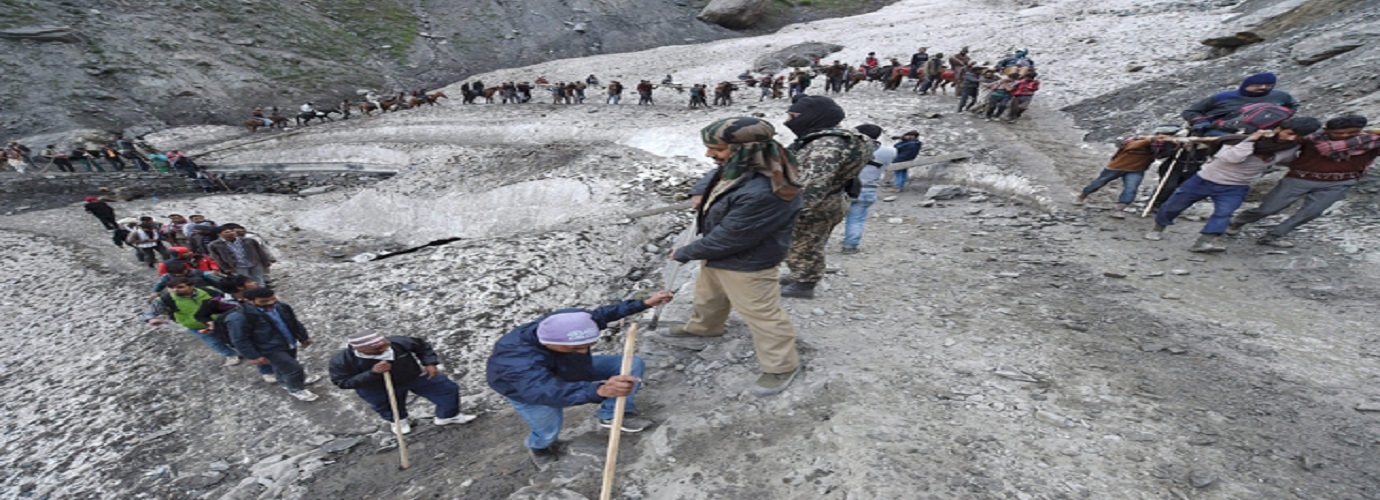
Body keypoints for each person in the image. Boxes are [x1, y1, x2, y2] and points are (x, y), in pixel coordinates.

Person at [669, 117, 805, 396]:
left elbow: (731, 237)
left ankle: (781, 366)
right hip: (720, 255)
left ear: (743, 149)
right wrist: (699, 190)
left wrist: (686, 252)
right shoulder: (751, 162)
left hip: (748, 263)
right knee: (709, 295)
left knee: (763, 314)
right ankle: (704, 328)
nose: (710, 155)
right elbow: (718, 175)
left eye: (717, 149)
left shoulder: (766, 191)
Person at [486, 292, 673, 470]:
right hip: (530, 392)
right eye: (576, 348)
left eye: (589, 346)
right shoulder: (516, 359)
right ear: (548, 342)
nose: (584, 352)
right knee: (548, 429)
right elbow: (544, 390)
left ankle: (611, 414)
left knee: (631, 364)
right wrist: (599, 391)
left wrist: (645, 303)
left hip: (570, 367)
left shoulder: (567, 324)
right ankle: (539, 447)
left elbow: (601, 314)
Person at [1145, 118, 1320, 252]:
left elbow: (1287, 161)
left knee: (1224, 213)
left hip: (1236, 186)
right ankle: (1158, 228)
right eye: (1289, 133)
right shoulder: (1237, 140)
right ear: (1278, 129)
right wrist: (1251, 140)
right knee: (1174, 205)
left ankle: (1204, 242)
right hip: (1205, 179)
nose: (1292, 138)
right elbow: (1232, 158)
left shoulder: (1291, 147)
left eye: (1298, 136)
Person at [1231, 115, 1380, 247]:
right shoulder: (1310, 139)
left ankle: (1273, 236)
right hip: (1299, 179)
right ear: (1326, 130)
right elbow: (1278, 144)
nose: (1345, 136)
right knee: (1269, 208)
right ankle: (1236, 223)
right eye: (1339, 133)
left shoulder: (1371, 142)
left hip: (1339, 183)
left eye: (1352, 132)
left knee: (1311, 213)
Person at [331, 332, 479, 435]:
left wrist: (429, 363)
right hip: (377, 387)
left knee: (447, 390)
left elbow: (421, 346)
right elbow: (342, 382)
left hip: (413, 376)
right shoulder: (341, 361)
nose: (385, 349)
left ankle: (447, 416)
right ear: (359, 349)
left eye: (385, 345)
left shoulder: (397, 342)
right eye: (377, 349)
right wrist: (373, 373)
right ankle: (399, 422)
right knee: (388, 407)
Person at [225, 288, 322, 401]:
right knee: (294, 369)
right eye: (264, 301)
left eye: (273, 299)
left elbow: (293, 322)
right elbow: (239, 339)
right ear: (249, 301)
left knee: (284, 366)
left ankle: (285, 381)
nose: (270, 303)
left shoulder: (281, 307)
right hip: (268, 348)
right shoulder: (239, 317)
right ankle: (296, 389)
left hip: (287, 341)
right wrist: (254, 356)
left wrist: (303, 337)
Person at [1076, 127, 1180, 217]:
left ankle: (1119, 209)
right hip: (1117, 167)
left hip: (1137, 170)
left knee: (1131, 189)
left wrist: (1176, 146)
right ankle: (1083, 195)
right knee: (1099, 183)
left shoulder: (1161, 146)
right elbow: (1132, 146)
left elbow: (1163, 155)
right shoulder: (1137, 140)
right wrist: (1150, 140)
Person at [141, 277, 242, 366]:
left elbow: (229, 299)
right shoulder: (166, 299)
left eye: (180, 287)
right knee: (213, 342)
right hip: (195, 325)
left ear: (192, 286)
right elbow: (150, 312)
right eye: (172, 288)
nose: (175, 290)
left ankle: (244, 350)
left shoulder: (209, 291)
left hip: (220, 321)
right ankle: (231, 355)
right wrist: (151, 319)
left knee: (235, 336)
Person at [1182, 72, 1298, 137]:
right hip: (1219, 129)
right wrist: (1201, 122)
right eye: (1258, 85)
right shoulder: (1223, 96)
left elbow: (1291, 106)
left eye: (1268, 85)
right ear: (1246, 85)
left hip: (1260, 131)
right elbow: (1190, 111)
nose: (1263, 87)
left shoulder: (1280, 96)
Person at [842, 124, 896, 254]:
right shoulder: (889, 152)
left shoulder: (848, 149)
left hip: (845, 189)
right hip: (868, 189)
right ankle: (850, 245)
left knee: (828, 220)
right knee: (856, 220)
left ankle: (821, 245)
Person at [207, 223, 273, 285]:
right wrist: (226, 268)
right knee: (246, 281)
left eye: (232, 231)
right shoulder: (215, 245)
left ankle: (261, 292)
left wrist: (266, 261)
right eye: (227, 232)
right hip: (237, 266)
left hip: (255, 263)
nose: (231, 233)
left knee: (259, 279)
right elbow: (217, 258)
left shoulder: (249, 240)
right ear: (219, 234)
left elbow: (260, 251)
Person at [150, 260, 224, 297]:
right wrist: (154, 291)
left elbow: (211, 277)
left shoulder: (196, 272)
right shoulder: (167, 277)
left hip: (205, 291)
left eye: (181, 273)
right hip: (183, 295)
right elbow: (159, 285)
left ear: (185, 269)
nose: (179, 275)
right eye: (176, 274)